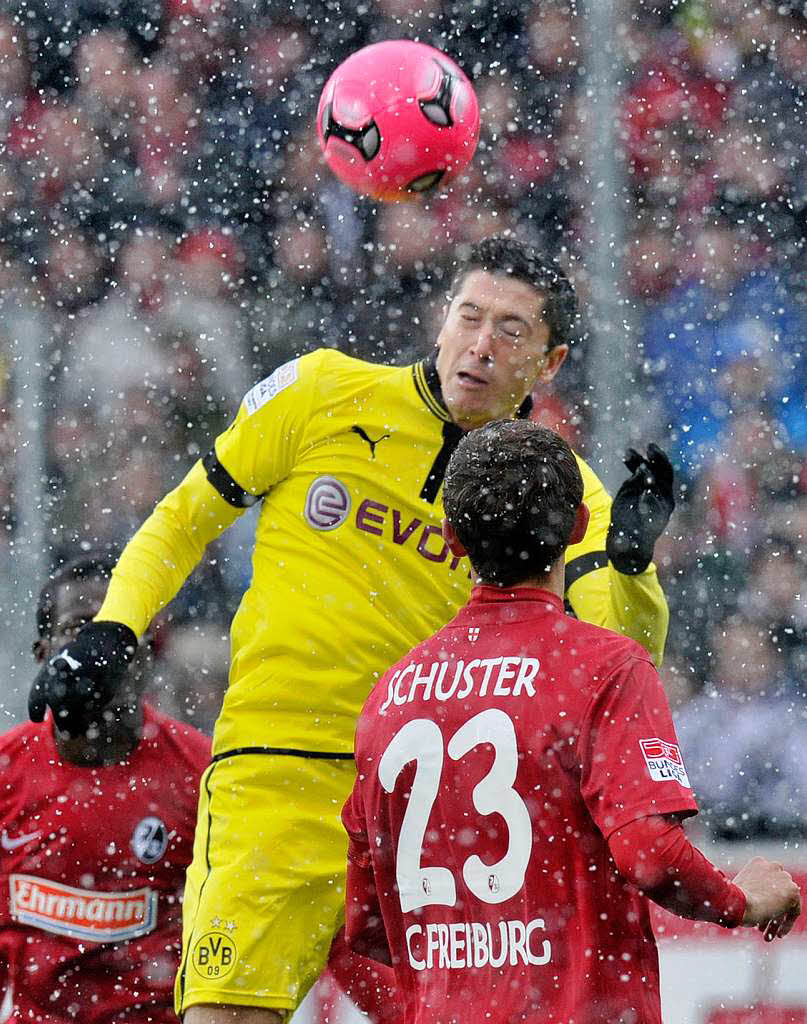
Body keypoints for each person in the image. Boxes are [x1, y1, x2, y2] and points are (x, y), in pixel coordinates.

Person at [27, 236, 675, 1023]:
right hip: (277, 775)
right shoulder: (320, 392)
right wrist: (113, 629)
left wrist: (633, 567)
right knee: (225, 1015)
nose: (479, 343)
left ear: (550, 362)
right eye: (468, 316)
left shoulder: (554, 486)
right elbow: (182, 519)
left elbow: (626, 650)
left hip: (426, 803)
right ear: (441, 321)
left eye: (510, 331)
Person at [342, 420, 802, 1024]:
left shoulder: (391, 692)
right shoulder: (606, 666)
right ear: (581, 528)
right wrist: (740, 900)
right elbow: (650, 854)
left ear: (452, 539)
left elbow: (369, 919)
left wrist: (474, 953)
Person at [1, 553, 210, 1023]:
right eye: (79, 628)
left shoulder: (203, 774)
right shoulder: (5, 773)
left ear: (147, 646)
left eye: (114, 628)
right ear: (43, 654)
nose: (99, 651)